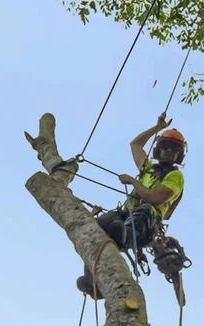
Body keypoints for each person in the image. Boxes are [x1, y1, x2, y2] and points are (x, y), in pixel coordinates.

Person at [77, 113, 187, 299]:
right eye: (165, 147)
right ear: (159, 149)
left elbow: (154, 198)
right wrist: (156, 128)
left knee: (145, 209)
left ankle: (125, 235)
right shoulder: (149, 169)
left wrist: (132, 182)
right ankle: (92, 280)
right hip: (125, 215)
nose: (168, 151)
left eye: (173, 149)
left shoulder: (176, 176)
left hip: (146, 224)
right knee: (99, 225)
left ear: (178, 154)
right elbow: (135, 145)